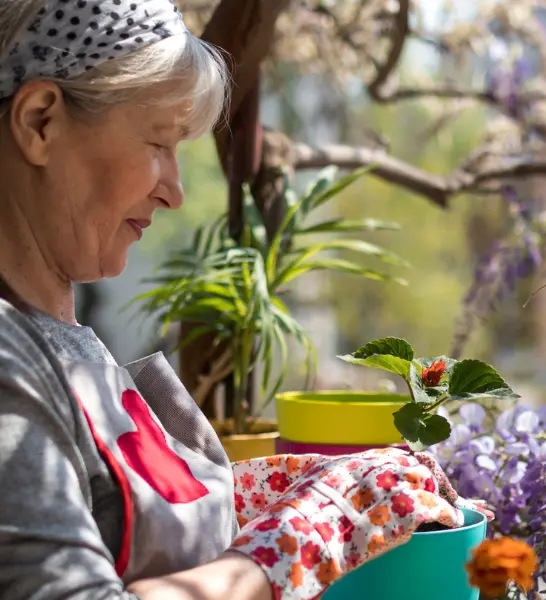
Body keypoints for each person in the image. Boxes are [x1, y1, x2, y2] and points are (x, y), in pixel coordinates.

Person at [0, 2, 485, 599]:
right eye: (158, 142)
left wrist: (293, 486)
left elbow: (99, 501)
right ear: (40, 121)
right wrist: (305, 534)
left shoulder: (50, 328)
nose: (175, 191)